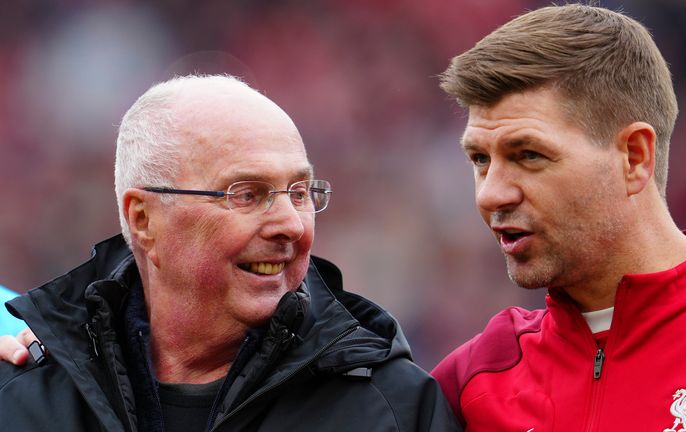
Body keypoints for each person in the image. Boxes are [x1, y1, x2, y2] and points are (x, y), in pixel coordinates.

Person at [0, 75, 461, 431]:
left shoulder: (396, 407)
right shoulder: (21, 391)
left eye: (299, 192)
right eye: (246, 194)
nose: (291, 224)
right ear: (143, 219)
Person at [429, 4, 686, 432]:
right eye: (480, 159)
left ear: (634, 157)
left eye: (529, 155)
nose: (491, 193)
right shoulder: (472, 382)